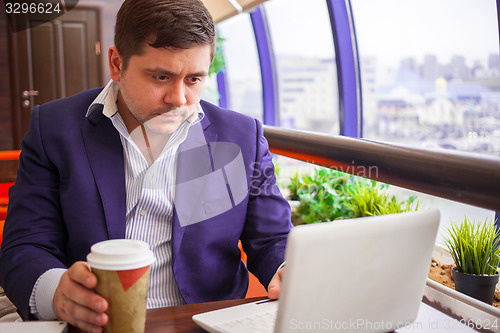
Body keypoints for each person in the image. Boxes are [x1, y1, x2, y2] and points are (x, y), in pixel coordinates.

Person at [0, 0, 293, 331]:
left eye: (194, 79)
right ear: (116, 63)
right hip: (97, 324)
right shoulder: (54, 128)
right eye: (161, 76)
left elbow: (271, 238)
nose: (179, 98)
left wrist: (287, 269)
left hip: (206, 322)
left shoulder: (241, 136)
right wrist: (59, 294)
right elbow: (25, 245)